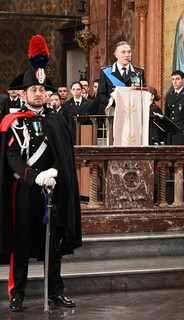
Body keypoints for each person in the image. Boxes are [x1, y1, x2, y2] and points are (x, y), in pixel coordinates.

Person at [0, 40, 82, 311]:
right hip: (25, 189)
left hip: (52, 187)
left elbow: (64, 157)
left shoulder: (58, 120)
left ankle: (55, 291)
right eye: (33, 89)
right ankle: (17, 293)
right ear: (24, 93)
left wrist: (54, 172)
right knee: (21, 242)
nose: (38, 93)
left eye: (42, 90)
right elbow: (11, 157)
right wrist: (33, 176)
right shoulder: (13, 121)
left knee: (52, 244)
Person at [97, 41, 146, 114]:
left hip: (132, 112)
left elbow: (143, 92)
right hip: (114, 112)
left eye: (129, 52)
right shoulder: (106, 72)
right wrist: (114, 102)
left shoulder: (138, 72)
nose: (127, 55)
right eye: (123, 52)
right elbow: (100, 95)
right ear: (116, 54)